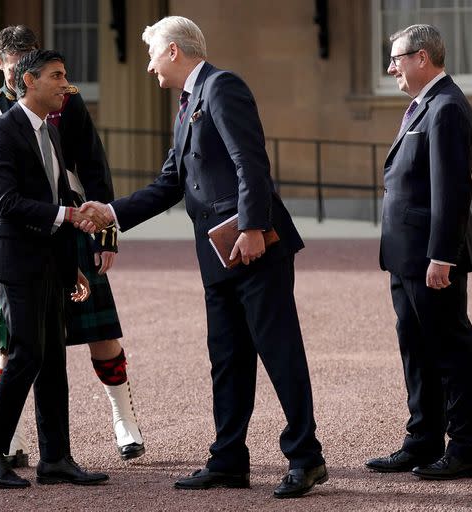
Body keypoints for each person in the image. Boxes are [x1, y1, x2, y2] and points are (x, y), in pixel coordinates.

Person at [80, 16, 326, 499]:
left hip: (253, 247)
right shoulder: (189, 102)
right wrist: (110, 212)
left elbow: (250, 162)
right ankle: (229, 459)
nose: (149, 67)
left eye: (152, 55)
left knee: (279, 353)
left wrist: (254, 226)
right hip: (216, 255)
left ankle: (306, 457)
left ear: (173, 51)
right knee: (227, 359)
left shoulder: (221, 87)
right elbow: (169, 182)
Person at [0, 25, 144, 466]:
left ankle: (123, 421)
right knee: (13, 343)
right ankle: (11, 438)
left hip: (67, 234)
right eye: (18, 67)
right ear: (2, 64)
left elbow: (92, 162)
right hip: (18, 242)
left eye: (32, 64)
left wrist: (104, 230)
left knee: (100, 334)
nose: (25, 74)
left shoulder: (63, 102)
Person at [0, 49, 112, 488]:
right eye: (57, 75)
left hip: (51, 261)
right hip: (15, 264)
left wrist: (74, 266)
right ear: (28, 81)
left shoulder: (51, 132)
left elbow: (60, 200)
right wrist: (69, 219)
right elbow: (6, 203)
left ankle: (56, 459)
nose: (65, 84)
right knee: (28, 353)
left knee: (52, 360)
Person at [365, 24, 472, 481]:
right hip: (405, 255)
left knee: (451, 351)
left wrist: (442, 256)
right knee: (416, 349)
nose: (391, 66)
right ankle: (423, 440)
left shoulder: (447, 108)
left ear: (422, 58)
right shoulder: (425, 105)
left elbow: (451, 190)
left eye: (396, 58)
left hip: (432, 259)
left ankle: (467, 449)